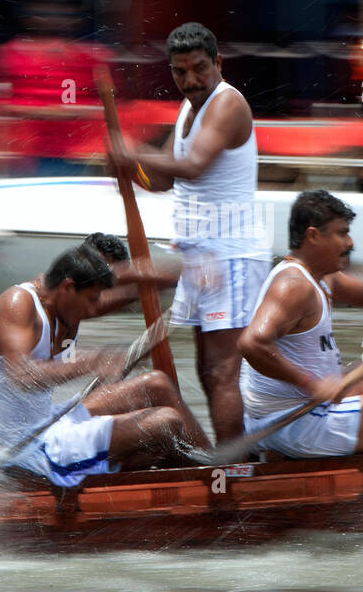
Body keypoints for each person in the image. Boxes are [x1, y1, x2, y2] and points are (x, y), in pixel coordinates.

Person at [107, 22, 269, 444]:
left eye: (200, 69)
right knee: (207, 370)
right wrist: (129, 170)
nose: (191, 81)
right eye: (180, 73)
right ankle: (229, 457)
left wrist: (134, 153)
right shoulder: (187, 109)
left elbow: (193, 166)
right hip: (202, 256)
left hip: (231, 254)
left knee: (221, 371)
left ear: (218, 62)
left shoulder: (226, 105)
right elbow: (162, 180)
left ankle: (235, 469)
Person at [0, 246, 211, 486]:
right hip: (25, 448)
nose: (94, 310)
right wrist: (91, 362)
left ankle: (218, 470)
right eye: (91, 300)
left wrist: (187, 275)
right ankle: (210, 485)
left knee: (157, 384)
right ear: (68, 287)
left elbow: (129, 275)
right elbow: (22, 378)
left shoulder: (64, 299)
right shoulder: (17, 303)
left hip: (50, 421)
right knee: (166, 422)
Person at [238, 191, 363, 458]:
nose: (349, 242)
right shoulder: (294, 285)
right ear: (313, 236)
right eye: (342, 233)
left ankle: (347, 458)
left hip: (303, 409)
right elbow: (251, 343)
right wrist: (311, 384)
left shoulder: (323, 278)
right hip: (288, 421)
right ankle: (334, 464)